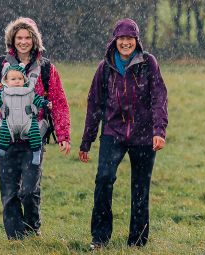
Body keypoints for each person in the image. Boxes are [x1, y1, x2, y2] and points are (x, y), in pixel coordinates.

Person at [0, 17, 71, 240]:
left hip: (33, 141)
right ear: (12, 40)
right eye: (19, 38)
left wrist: (63, 135)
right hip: (5, 140)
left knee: (28, 190)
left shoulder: (46, 68)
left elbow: (59, 102)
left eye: (28, 37)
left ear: (34, 40)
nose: (24, 42)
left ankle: (32, 228)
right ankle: (16, 240)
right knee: (9, 194)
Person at [78, 18, 168, 249]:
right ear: (114, 41)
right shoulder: (104, 67)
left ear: (136, 40)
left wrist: (159, 131)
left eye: (130, 38)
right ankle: (99, 239)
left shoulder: (149, 63)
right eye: (121, 38)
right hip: (112, 132)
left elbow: (159, 97)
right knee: (104, 179)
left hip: (143, 134)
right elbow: (94, 104)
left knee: (140, 188)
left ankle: (137, 242)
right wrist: (86, 141)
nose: (125, 42)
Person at [0, 64, 52, 165]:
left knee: (35, 133)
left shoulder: (30, 92)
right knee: (4, 132)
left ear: (25, 79)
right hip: (10, 121)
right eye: (13, 79)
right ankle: (2, 148)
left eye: (20, 78)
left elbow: (39, 101)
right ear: (6, 81)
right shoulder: (3, 93)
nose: (17, 81)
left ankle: (36, 152)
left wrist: (45, 104)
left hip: (28, 120)